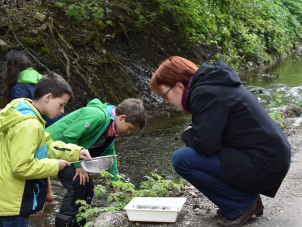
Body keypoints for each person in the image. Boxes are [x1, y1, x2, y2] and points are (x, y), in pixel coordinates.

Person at [149, 57, 291, 227]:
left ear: (179, 86)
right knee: (192, 154)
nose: (166, 101)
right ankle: (241, 200)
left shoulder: (204, 93)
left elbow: (206, 145)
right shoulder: (213, 86)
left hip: (266, 164)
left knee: (182, 159)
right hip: (271, 158)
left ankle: (243, 204)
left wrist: (187, 134)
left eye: (165, 95)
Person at [0, 72, 92, 227]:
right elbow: (20, 167)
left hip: (8, 199)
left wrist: (75, 152)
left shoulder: (26, 113)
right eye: (61, 104)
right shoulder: (30, 125)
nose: (62, 111)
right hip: (14, 204)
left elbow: (48, 145)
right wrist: (54, 166)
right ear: (48, 97)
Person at [46, 98, 146, 227]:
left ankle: (79, 224)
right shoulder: (97, 115)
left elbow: (110, 155)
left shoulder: (112, 128)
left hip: (68, 153)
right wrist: (79, 164)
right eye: (130, 128)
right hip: (51, 148)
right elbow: (68, 136)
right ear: (122, 117)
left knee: (88, 188)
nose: (128, 132)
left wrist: (114, 184)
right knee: (77, 185)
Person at [2, 51, 62, 207]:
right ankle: (46, 198)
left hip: (35, 125)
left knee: (30, 159)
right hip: (48, 124)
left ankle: (39, 202)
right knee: (40, 156)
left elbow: (18, 113)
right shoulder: (40, 78)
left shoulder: (18, 87)